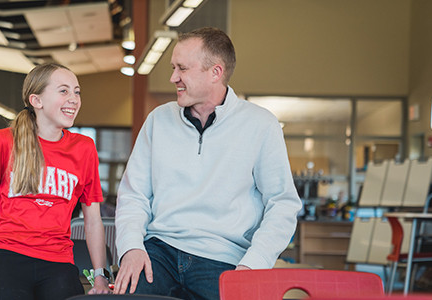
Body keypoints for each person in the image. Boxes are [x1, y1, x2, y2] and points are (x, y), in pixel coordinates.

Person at [112, 27, 302, 299]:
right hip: (158, 251)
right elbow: (134, 195)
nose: (173, 77)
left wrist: (253, 264)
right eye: (173, 67)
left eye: (182, 69)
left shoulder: (261, 125)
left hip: (224, 258)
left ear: (215, 72)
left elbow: (282, 204)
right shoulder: (158, 120)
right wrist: (131, 247)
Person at [0, 63, 111, 300]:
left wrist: (100, 277)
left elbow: (93, 220)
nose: (74, 99)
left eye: (77, 92)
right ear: (36, 100)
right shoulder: (3, 141)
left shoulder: (84, 148)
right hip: (9, 253)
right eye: (63, 91)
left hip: (58, 259)